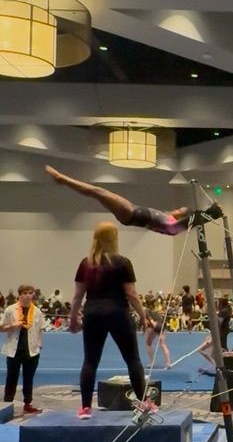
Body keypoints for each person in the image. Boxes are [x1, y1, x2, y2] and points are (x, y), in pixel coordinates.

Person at [69, 222, 149, 419]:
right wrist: (143, 315)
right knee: (132, 359)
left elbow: (78, 296)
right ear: (114, 240)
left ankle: (85, 408)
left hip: (93, 313)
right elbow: (131, 294)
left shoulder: (85, 263)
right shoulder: (122, 262)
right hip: (118, 312)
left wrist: (73, 318)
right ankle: (144, 403)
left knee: (90, 361)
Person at [45, 166, 222, 237]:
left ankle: (62, 178)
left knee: (97, 192)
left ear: (181, 216)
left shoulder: (171, 226)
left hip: (129, 214)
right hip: (132, 208)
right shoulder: (168, 218)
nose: (175, 209)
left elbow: (190, 222)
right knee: (97, 192)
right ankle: (63, 179)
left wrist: (213, 213)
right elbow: (191, 215)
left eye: (179, 210)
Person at [1, 284, 46, 416]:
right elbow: (1, 327)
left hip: (31, 350)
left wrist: (39, 345)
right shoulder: (10, 310)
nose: (28, 295)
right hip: (14, 349)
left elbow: (40, 330)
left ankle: (27, 404)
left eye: (30, 293)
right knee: (11, 378)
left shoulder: (37, 311)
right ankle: (6, 404)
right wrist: (12, 326)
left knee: (28, 379)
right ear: (19, 295)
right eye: (25, 293)